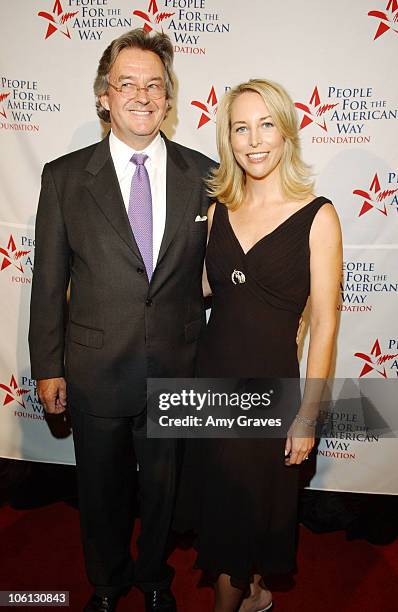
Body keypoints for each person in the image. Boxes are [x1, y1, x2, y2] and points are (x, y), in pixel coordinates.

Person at [28, 29, 213, 612]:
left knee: (163, 492)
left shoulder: (206, 175)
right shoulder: (63, 179)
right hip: (95, 368)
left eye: (154, 84)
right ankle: (106, 585)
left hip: (176, 367)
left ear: (169, 98)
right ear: (104, 96)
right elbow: (49, 282)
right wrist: (47, 366)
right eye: (127, 83)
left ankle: (156, 578)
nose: (142, 94)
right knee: (101, 493)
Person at [176, 79, 342, 612]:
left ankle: (232, 597)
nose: (253, 140)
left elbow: (326, 324)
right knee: (224, 508)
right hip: (210, 382)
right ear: (228, 138)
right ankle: (251, 592)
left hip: (269, 391)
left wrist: (308, 416)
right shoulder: (217, 209)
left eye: (265, 124)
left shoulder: (318, 216)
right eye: (240, 127)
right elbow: (200, 287)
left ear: (286, 131)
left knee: (234, 516)